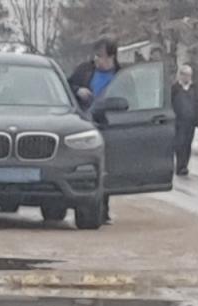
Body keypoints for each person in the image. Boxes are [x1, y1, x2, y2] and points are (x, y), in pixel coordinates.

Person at [68, 39, 121, 223]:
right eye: (95, 55)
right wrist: (78, 90)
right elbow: (66, 88)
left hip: (110, 126)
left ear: (111, 57)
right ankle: (86, 207)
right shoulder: (84, 70)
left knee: (107, 168)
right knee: (88, 168)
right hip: (84, 125)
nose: (97, 59)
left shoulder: (121, 75)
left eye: (101, 56)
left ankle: (103, 209)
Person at [170, 65, 198, 176]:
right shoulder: (174, 88)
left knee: (187, 144)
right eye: (184, 75)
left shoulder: (196, 89)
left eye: (189, 75)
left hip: (190, 121)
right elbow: (170, 103)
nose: (187, 77)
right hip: (178, 121)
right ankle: (180, 166)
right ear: (180, 75)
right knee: (179, 143)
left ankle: (184, 165)